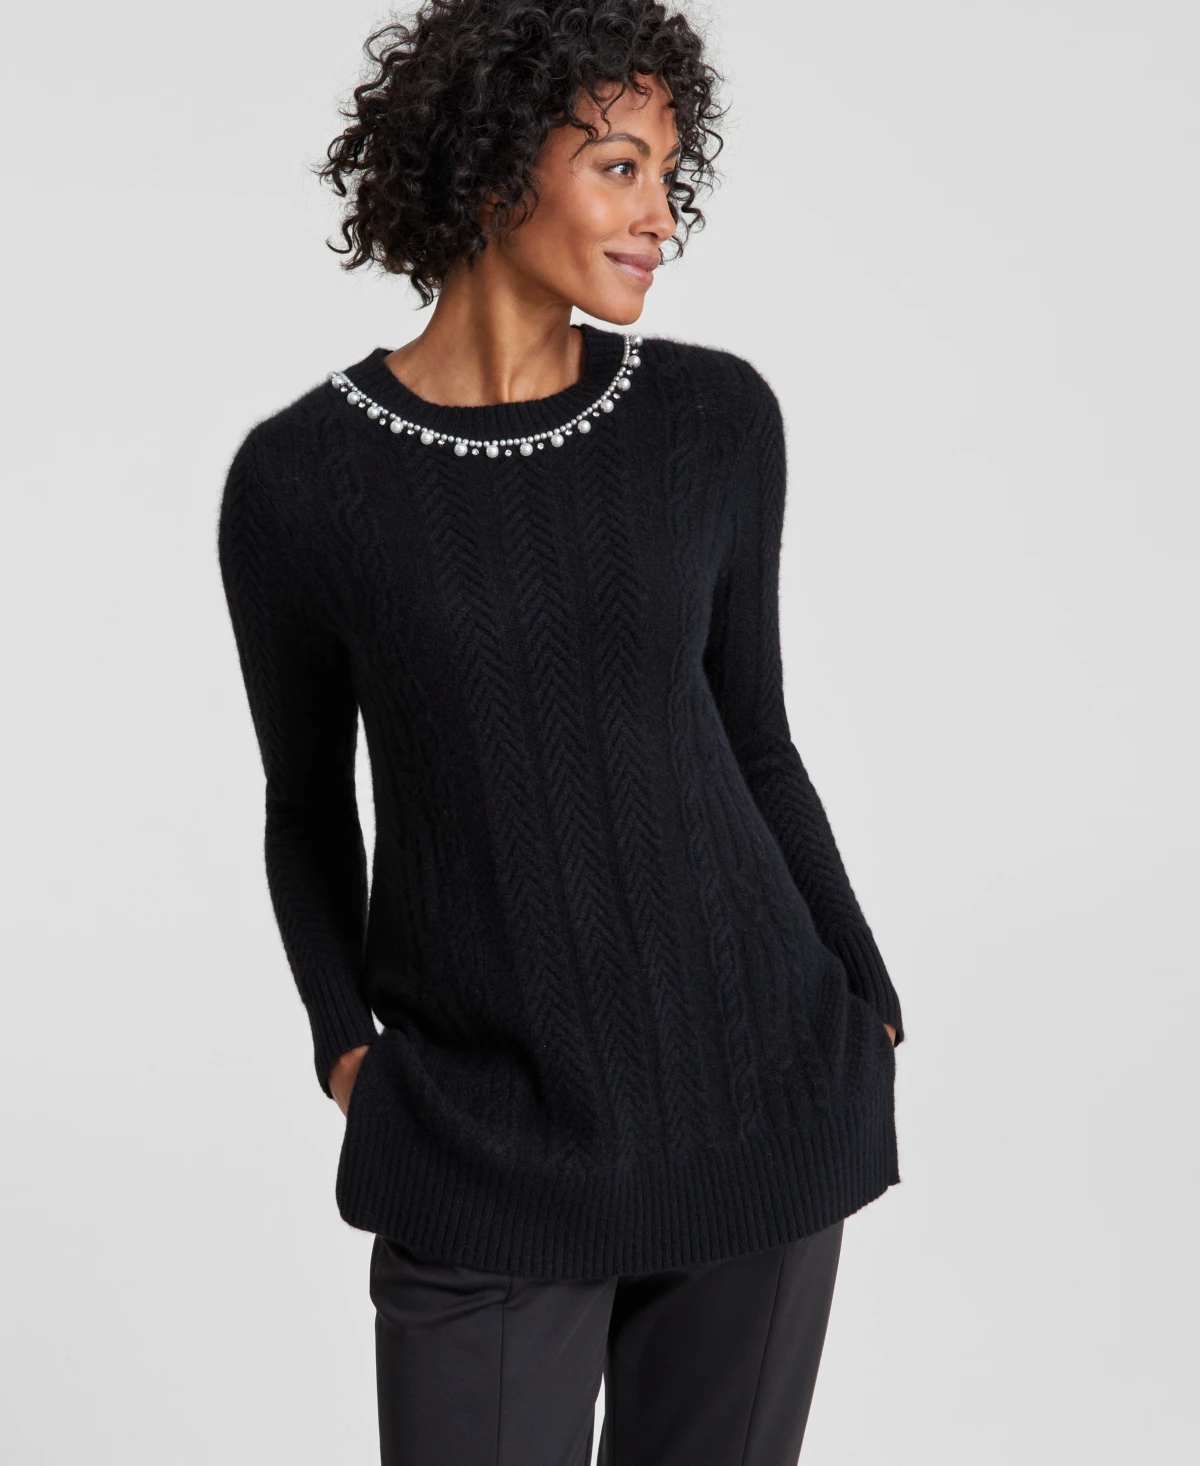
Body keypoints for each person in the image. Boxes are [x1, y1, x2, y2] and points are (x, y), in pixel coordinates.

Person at [216, 2, 905, 1461]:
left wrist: (863, 990)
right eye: (618, 166)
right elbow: (305, 807)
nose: (662, 217)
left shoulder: (714, 421)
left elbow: (755, 737)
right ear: (491, 167)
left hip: (760, 1095)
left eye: (669, 174)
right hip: (484, 1138)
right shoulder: (302, 480)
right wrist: (347, 1047)